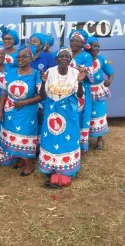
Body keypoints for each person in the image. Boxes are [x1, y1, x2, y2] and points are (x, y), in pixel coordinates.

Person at [39, 47, 87, 177]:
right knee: (51, 138)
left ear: (71, 60)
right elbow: (42, 95)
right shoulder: (50, 72)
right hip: (52, 111)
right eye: (62, 56)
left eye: (67, 57)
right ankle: (51, 167)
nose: (64, 59)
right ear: (56, 59)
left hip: (69, 112)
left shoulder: (75, 73)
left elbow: (79, 95)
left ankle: (67, 169)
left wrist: (80, 81)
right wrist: (43, 83)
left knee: (68, 139)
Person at [0, 45, 44, 176]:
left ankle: (29, 164)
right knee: (13, 136)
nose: (20, 59)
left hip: (27, 111)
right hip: (10, 110)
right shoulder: (11, 72)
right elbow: (4, 92)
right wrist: (0, 110)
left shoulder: (36, 75)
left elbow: (42, 95)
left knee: (24, 136)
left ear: (32, 58)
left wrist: (24, 102)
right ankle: (20, 159)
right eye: (18, 57)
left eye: (24, 56)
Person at [85, 36, 114, 149]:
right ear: (88, 46)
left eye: (98, 46)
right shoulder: (83, 58)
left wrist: (110, 80)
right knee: (85, 113)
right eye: (94, 46)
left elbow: (110, 72)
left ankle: (100, 138)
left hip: (98, 91)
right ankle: (84, 138)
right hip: (85, 90)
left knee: (99, 113)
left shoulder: (101, 59)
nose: (96, 48)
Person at [68, 29, 93, 152]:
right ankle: (68, 141)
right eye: (72, 40)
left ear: (83, 43)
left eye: (78, 41)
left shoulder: (86, 56)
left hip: (81, 89)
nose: (74, 43)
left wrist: (80, 71)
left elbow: (89, 74)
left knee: (79, 116)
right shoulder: (65, 53)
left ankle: (78, 146)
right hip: (66, 89)